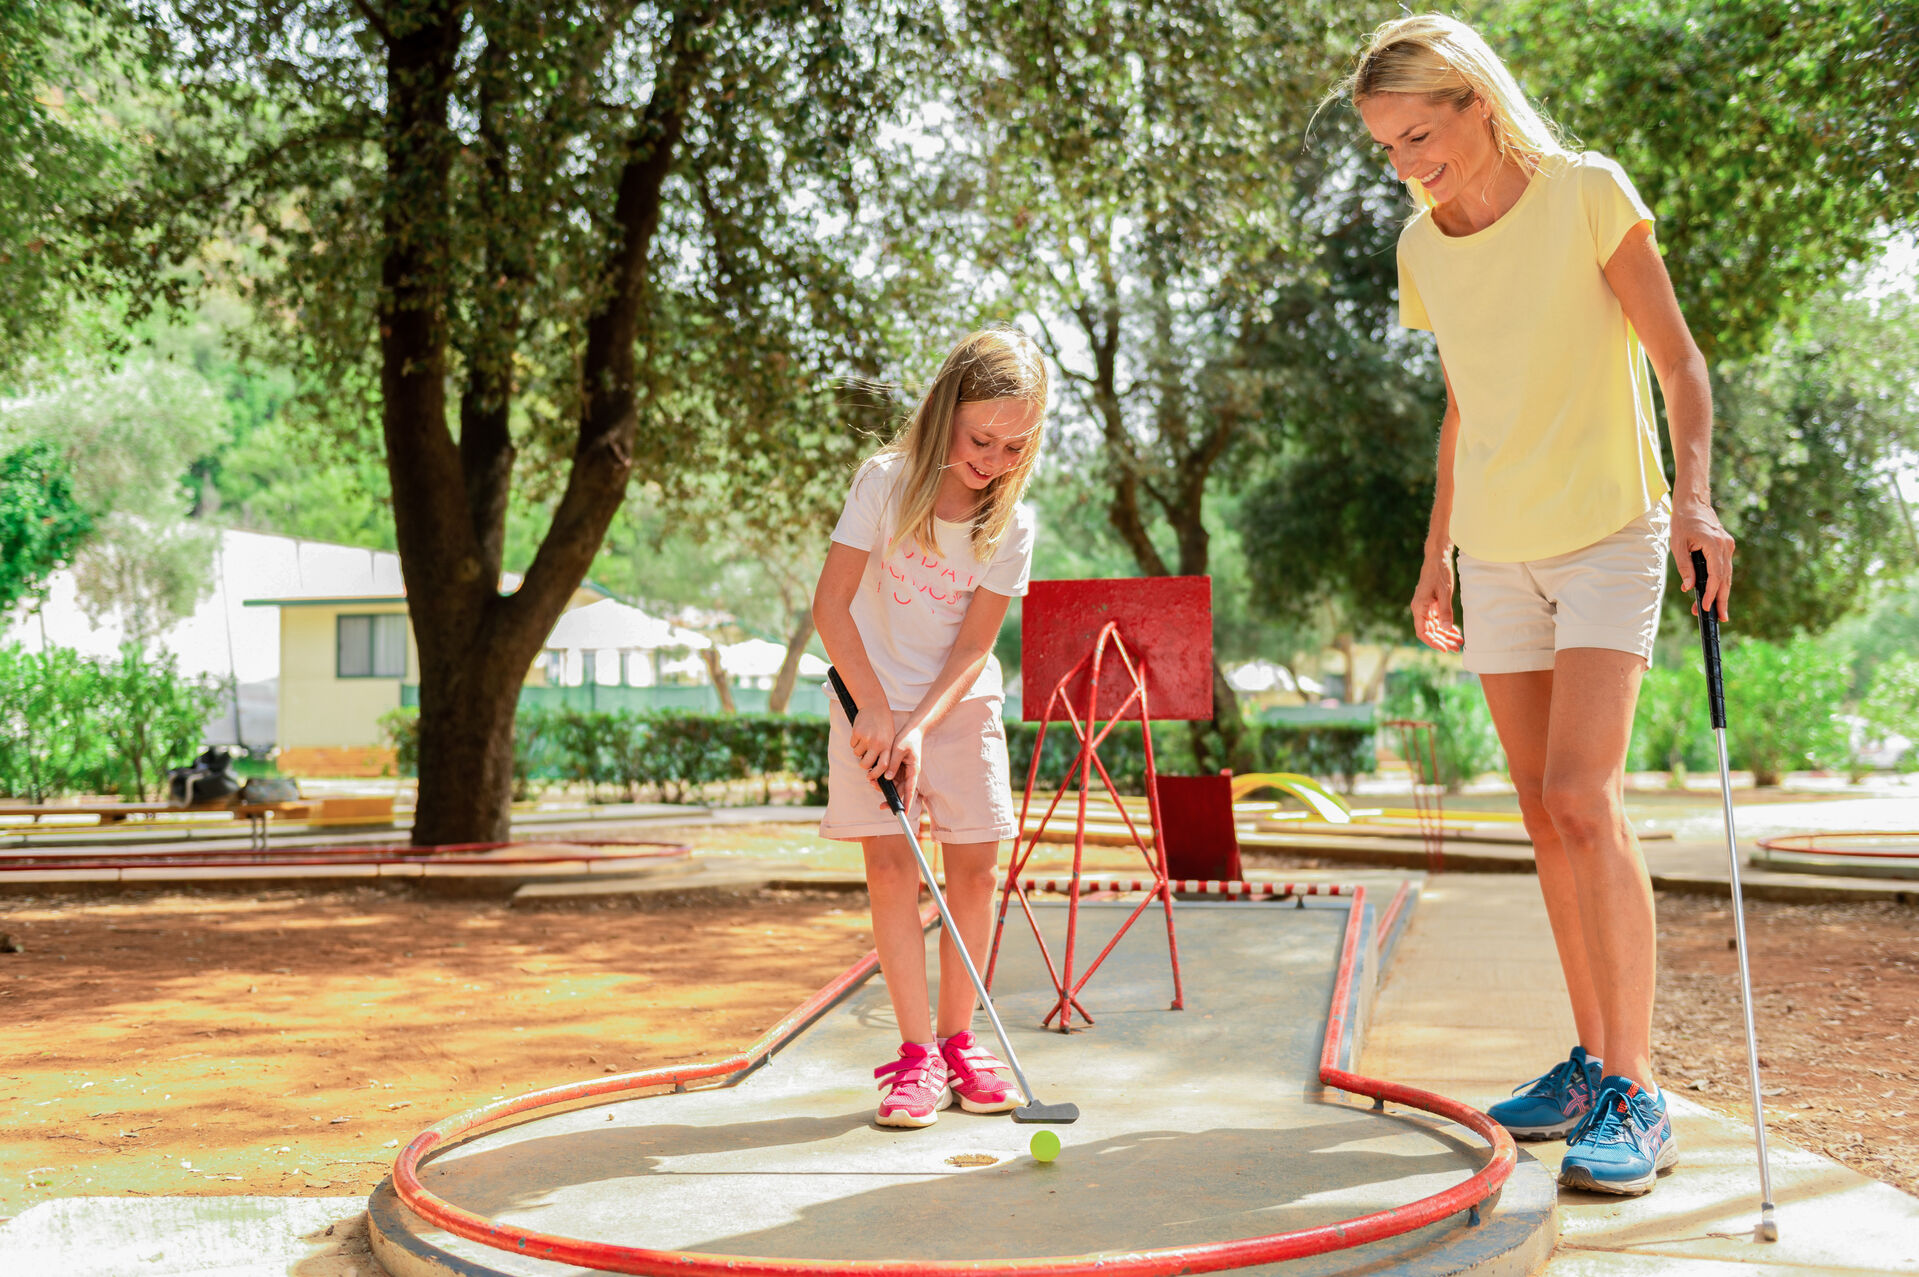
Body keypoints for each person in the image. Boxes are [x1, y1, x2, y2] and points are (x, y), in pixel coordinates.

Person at [1339, 14, 1736, 1195]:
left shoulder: (1583, 194)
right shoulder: (1422, 245)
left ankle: (1637, 1088)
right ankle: (1590, 1064)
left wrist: (1696, 501)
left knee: (1579, 795)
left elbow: (1677, 362)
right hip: (1496, 550)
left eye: (1419, 135)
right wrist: (1436, 553)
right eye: (1387, 148)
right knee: (1538, 810)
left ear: (1474, 102)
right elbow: (1465, 405)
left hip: (1610, 528)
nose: (1406, 165)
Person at [811, 326, 1048, 1128]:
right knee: (890, 869)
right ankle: (916, 1057)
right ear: (947, 410)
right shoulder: (883, 483)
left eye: (1014, 446)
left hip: (958, 704)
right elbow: (830, 606)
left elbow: (975, 646)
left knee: (975, 872)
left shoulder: (1011, 522)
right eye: (981, 438)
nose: (993, 458)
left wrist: (919, 725)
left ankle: (960, 1043)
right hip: (868, 697)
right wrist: (878, 710)